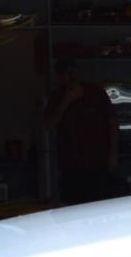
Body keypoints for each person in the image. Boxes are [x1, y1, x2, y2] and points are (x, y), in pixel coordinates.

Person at [43, 63, 118, 206]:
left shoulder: (95, 91)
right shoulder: (57, 95)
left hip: (98, 160)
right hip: (70, 163)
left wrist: (112, 154)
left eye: (73, 72)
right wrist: (66, 101)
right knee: (74, 205)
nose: (71, 76)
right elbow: (49, 125)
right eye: (66, 73)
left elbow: (112, 122)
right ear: (60, 77)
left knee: (100, 203)